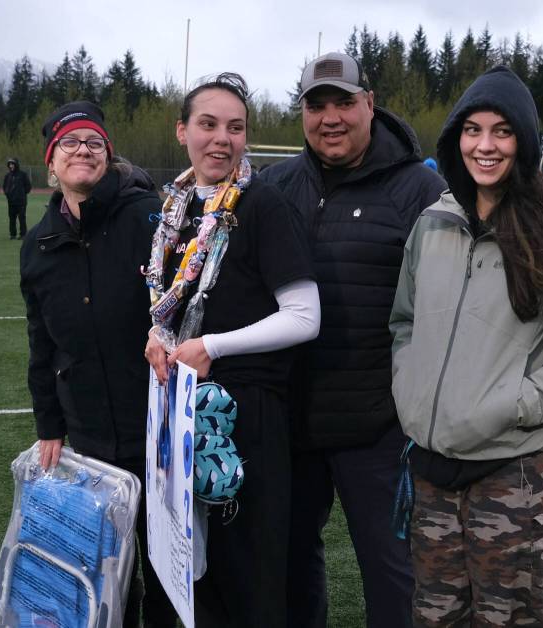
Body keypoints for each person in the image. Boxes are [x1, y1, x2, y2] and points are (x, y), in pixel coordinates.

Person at [390, 66, 543, 627]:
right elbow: (404, 322)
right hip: (434, 471)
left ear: (522, 140)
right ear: (455, 139)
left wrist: (517, 403)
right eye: (472, 130)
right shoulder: (433, 222)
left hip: (518, 476)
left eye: (501, 131)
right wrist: (411, 388)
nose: (485, 145)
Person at [257, 51, 445, 628]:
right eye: (317, 105)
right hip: (288, 422)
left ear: (370, 104)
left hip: (378, 428)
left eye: (344, 102)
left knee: (394, 577)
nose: (330, 118)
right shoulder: (272, 185)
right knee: (287, 570)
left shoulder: (420, 190)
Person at [143, 73, 319, 628]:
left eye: (235, 128)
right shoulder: (175, 211)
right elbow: (172, 307)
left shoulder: (262, 204)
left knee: (248, 577)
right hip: (183, 412)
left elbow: (305, 316)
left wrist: (212, 346)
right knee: (193, 577)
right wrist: (159, 338)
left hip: (247, 418)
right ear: (182, 132)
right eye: (208, 124)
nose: (222, 138)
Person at [20, 101, 178, 628]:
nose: (82, 150)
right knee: (101, 572)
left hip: (155, 427)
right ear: (51, 162)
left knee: (166, 572)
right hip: (87, 442)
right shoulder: (38, 243)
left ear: (108, 156)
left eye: (93, 142)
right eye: (70, 143)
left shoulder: (146, 217)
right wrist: (50, 425)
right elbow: (42, 344)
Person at [3, 157, 32, 240]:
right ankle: (12, 234)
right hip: (11, 201)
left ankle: (23, 234)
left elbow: (28, 186)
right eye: (10, 164)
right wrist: (7, 194)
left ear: (16, 165)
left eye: (12, 164)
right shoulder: (7, 176)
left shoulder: (22, 175)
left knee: (22, 218)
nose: (11, 166)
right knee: (12, 219)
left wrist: (21, 194)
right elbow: (4, 187)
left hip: (21, 201)